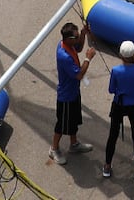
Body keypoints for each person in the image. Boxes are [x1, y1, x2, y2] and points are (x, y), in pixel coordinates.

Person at [49, 21, 97, 164]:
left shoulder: (68, 45)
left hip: (74, 92)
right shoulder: (64, 55)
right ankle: (54, 148)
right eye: (75, 37)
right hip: (66, 96)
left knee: (74, 121)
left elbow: (79, 47)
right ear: (69, 39)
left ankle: (74, 144)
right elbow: (79, 75)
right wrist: (88, 58)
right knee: (62, 125)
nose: (77, 40)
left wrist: (83, 34)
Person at [102, 41, 134, 181]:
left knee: (113, 135)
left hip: (119, 104)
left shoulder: (116, 70)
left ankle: (107, 166)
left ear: (121, 55)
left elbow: (111, 90)